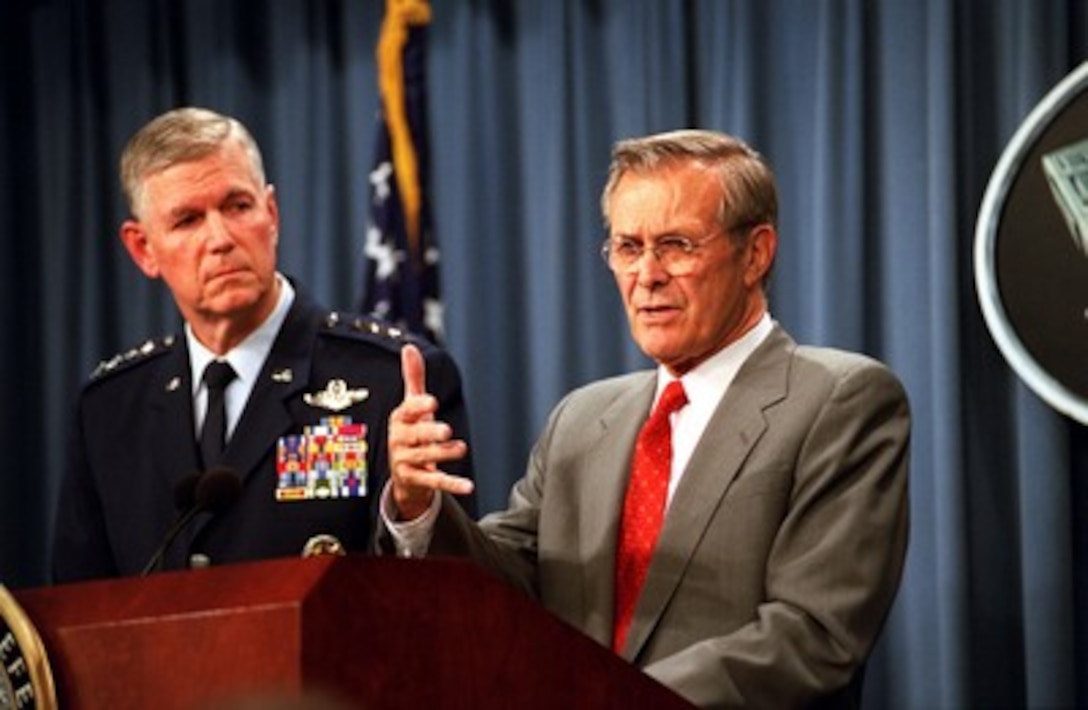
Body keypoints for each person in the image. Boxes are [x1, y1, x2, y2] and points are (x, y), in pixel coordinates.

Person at [381, 129, 910, 707]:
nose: (647, 275)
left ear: (755, 253)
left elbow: (813, 635)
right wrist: (418, 506)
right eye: (628, 248)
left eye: (677, 244)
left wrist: (608, 698)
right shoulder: (581, 420)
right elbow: (506, 587)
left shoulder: (840, 400)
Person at [52, 106, 474, 582]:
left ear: (270, 214)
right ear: (143, 249)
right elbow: (76, 611)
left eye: (237, 206)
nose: (220, 239)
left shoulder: (392, 380)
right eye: (188, 219)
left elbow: (451, 599)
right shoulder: (109, 409)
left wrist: (413, 513)